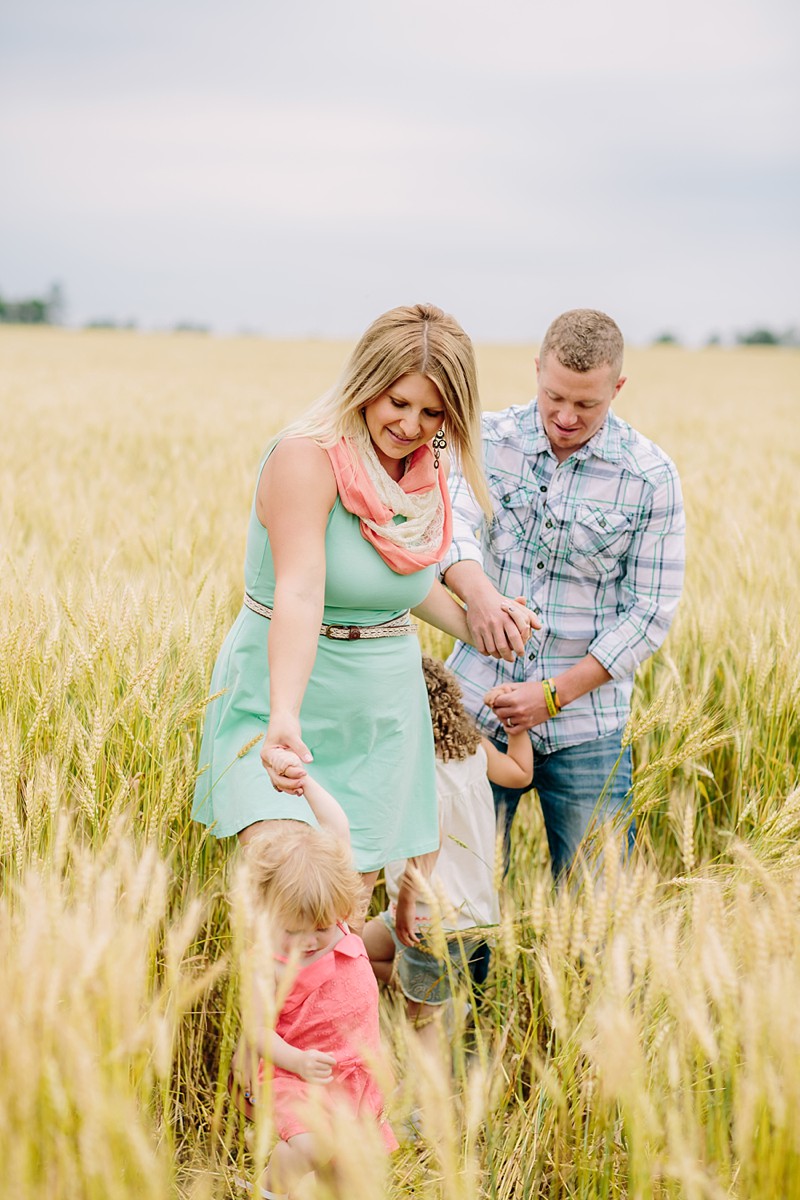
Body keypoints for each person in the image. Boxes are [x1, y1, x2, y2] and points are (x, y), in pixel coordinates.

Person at [192, 302, 536, 927]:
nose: (411, 425)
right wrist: (283, 717)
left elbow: (399, 584)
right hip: (285, 694)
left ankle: (330, 1026)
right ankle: (266, 1029)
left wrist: (485, 627)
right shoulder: (306, 457)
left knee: (336, 925)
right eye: (397, 402)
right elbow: (300, 591)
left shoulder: (422, 469)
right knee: (288, 908)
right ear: (365, 384)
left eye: (433, 413)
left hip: (381, 714)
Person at [440, 309, 685, 878]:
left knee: (596, 913)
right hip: (475, 701)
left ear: (617, 388)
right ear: (537, 369)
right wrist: (477, 591)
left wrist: (550, 695)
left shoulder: (650, 475)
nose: (566, 416)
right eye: (554, 397)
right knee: (450, 898)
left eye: (587, 404)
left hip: (587, 724)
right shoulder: (486, 441)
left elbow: (649, 612)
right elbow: (450, 528)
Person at [229, 758, 397, 1199]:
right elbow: (258, 1030)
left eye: (320, 929)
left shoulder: (337, 915)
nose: (308, 942)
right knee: (309, 1145)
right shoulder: (268, 963)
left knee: (344, 1176)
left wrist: (307, 785)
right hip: (297, 1074)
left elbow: (337, 826)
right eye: (293, 931)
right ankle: (269, 1190)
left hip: (352, 1074)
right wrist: (297, 1062)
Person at [362, 655, 533, 1051]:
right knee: (350, 950)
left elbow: (428, 841)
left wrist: (406, 902)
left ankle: (423, 1105)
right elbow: (521, 774)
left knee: (420, 1028)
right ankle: (441, 998)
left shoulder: (414, 768)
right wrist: (517, 728)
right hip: (468, 913)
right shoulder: (473, 748)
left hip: (424, 915)